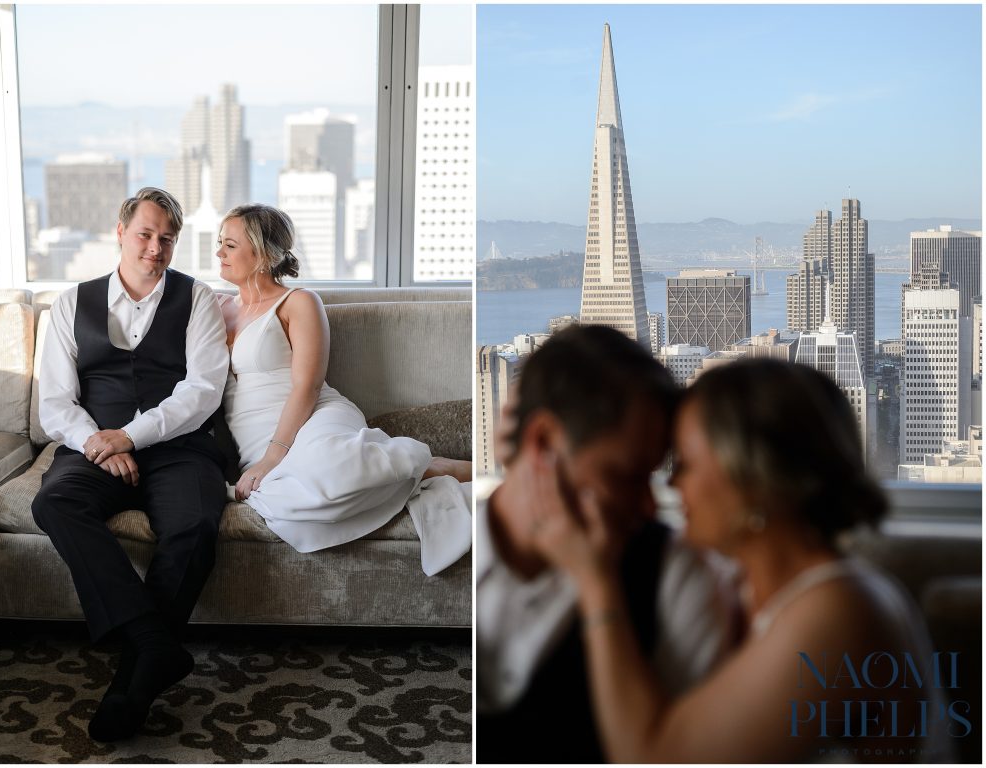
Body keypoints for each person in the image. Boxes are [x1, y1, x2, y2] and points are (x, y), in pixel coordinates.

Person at [532, 358, 955, 762]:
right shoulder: (739, 584)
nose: (674, 482)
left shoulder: (839, 611)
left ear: (752, 479)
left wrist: (594, 578)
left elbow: (655, 759)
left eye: (686, 462)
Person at [476, 325, 737, 764]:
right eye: (626, 477)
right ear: (542, 442)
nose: (650, 507)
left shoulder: (676, 579)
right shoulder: (455, 546)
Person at [33, 187, 230, 742]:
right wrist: (101, 442)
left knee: (194, 526)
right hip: (93, 447)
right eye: (145, 233)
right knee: (55, 502)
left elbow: (202, 391)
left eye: (167, 238)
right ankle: (153, 642)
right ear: (120, 233)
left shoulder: (199, 300)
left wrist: (132, 438)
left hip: (179, 446)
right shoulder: (71, 303)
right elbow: (55, 403)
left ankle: (134, 684)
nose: (155, 247)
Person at [213, 204, 472, 575]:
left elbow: (308, 385)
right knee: (280, 503)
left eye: (231, 245)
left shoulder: (298, 302)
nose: (219, 253)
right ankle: (417, 472)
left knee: (332, 473)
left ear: (263, 254)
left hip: (314, 417)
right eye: (220, 243)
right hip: (252, 437)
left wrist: (273, 457)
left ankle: (427, 465)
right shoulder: (216, 307)